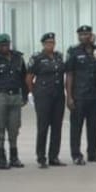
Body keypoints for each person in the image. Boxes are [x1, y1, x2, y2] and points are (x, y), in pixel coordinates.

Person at [0, 33, 28, 169]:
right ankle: (1, 158)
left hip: (15, 96)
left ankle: (14, 157)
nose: (5, 47)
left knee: (14, 127)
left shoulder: (18, 58)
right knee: (0, 128)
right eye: (2, 45)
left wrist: (25, 96)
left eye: (7, 44)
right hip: (0, 96)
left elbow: (23, 78)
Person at [65, 25, 96, 165]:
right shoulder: (73, 52)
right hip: (79, 95)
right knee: (76, 127)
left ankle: (92, 153)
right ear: (78, 36)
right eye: (81, 35)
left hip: (94, 96)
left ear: (91, 35)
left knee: (94, 127)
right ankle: (76, 155)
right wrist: (69, 96)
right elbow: (69, 75)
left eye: (87, 34)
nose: (84, 37)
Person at [27, 32, 66, 168]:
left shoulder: (58, 57)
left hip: (58, 96)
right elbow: (29, 78)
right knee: (43, 127)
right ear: (43, 44)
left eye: (53, 43)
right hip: (43, 96)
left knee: (57, 127)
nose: (51, 45)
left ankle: (53, 156)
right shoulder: (37, 58)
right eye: (48, 43)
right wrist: (33, 93)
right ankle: (41, 157)